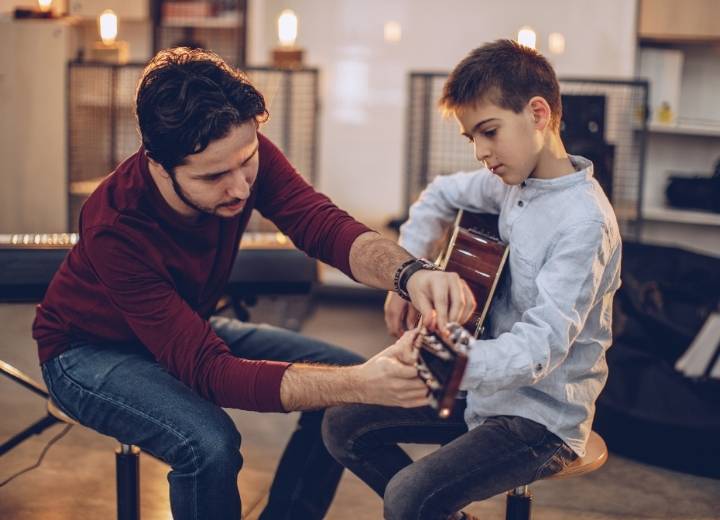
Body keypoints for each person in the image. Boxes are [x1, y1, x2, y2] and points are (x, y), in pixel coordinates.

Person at [32, 47, 476, 520]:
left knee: (343, 376)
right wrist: (361, 384)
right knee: (209, 444)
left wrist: (410, 273)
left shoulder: (241, 154)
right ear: (158, 164)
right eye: (215, 177)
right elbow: (210, 372)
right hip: (86, 352)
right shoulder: (115, 226)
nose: (241, 188)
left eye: (246, 162)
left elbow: (319, 224)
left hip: (180, 328)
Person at [322, 39, 622, 520]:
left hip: (540, 418)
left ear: (539, 113)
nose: (481, 152)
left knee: (408, 496)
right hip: (482, 390)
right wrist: (412, 275)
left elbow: (538, 350)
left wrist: (447, 362)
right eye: (471, 139)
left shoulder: (584, 223)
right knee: (341, 424)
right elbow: (440, 194)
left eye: (489, 131)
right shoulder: (511, 183)